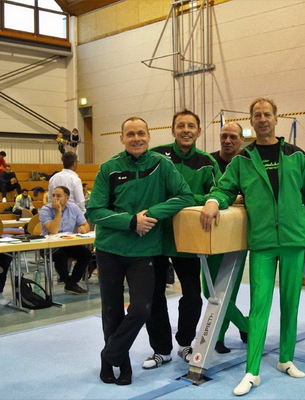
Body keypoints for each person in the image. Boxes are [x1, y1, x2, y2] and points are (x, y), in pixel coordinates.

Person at [200, 98, 305, 396]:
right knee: (259, 308)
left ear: (276, 118)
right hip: (263, 242)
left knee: (290, 303)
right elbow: (225, 187)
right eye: (257, 115)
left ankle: (286, 358)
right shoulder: (243, 159)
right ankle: (252, 371)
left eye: (267, 114)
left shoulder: (296, 156)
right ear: (251, 122)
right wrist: (213, 201)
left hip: (295, 239)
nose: (263, 119)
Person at [86, 116, 193, 385]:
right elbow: (95, 211)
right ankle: (122, 365)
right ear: (122, 138)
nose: (136, 138)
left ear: (149, 136)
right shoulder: (108, 168)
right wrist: (131, 221)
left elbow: (185, 196)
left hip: (144, 251)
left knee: (141, 309)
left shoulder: (161, 165)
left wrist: (152, 214)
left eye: (141, 133)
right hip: (110, 250)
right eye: (130, 134)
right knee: (112, 310)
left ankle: (109, 354)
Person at [145, 109, 223, 368]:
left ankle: (185, 342)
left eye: (191, 126)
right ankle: (161, 349)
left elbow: (216, 194)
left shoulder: (206, 162)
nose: (186, 130)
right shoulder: (155, 156)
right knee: (153, 295)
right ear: (173, 130)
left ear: (199, 131)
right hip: (155, 237)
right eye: (181, 125)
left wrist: (187, 200)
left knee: (192, 295)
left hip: (187, 239)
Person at [206, 122, 249, 354]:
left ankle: (219, 335)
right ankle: (246, 325)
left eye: (233, 136)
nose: (228, 140)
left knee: (227, 291)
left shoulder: (247, 164)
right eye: (224, 136)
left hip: (237, 236)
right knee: (210, 291)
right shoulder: (208, 161)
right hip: (210, 235)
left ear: (241, 140)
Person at [40, 186, 92, 295]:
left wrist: (84, 229)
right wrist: (58, 211)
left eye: (58, 196)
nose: (55, 198)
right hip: (48, 246)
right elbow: (53, 230)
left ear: (67, 198)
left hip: (68, 243)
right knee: (60, 255)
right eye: (53, 195)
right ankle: (69, 282)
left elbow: (86, 225)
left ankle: (72, 282)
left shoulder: (74, 208)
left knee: (86, 254)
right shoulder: (46, 210)